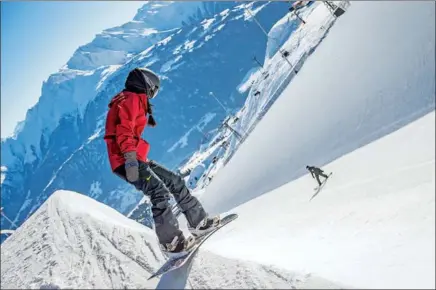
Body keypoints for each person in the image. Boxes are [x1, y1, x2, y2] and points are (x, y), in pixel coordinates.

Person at [103, 67, 220, 253]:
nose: (153, 95)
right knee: (159, 193)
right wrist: (131, 160)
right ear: (147, 85)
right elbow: (124, 131)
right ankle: (172, 243)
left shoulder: (131, 98)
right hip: (127, 159)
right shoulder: (130, 99)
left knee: (174, 180)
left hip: (135, 157)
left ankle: (199, 223)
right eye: (154, 90)